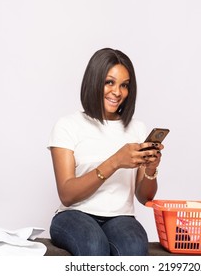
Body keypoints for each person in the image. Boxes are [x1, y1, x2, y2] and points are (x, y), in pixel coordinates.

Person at [47, 48, 164, 256]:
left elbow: (144, 196)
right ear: (94, 81)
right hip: (74, 214)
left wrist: (150, 168)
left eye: (124, 85)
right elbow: (67, 194)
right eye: (109, 82)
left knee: (135, 248)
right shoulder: (68, 125)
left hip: (121, 218)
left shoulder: (136, 129)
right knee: (94, 246)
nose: (117, 92)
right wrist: (115, 162)